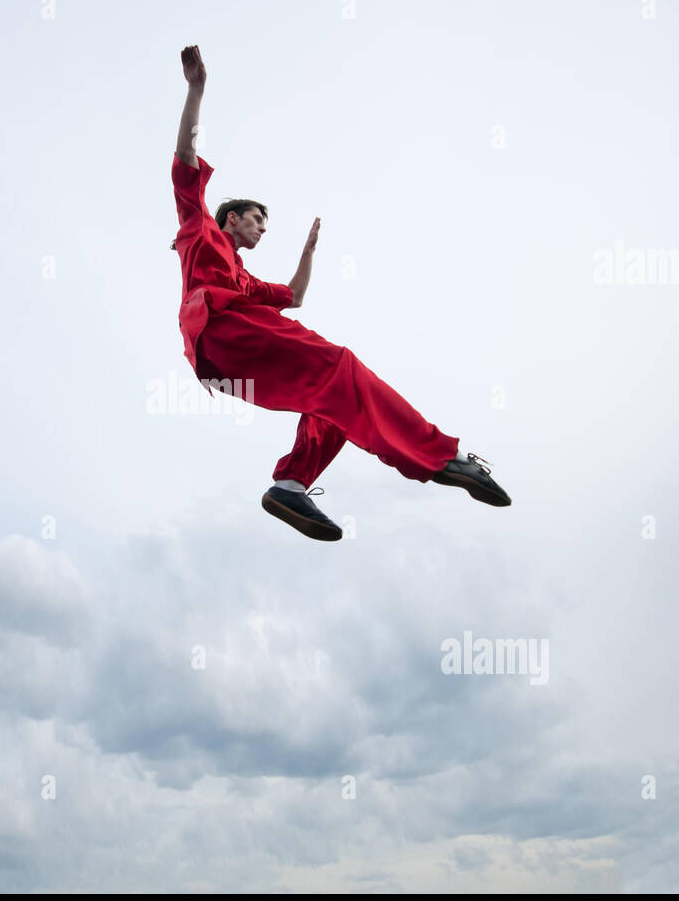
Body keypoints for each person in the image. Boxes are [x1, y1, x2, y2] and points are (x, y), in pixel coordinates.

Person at [170, 45, 510, 541]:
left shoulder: (243, 280)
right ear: (232, 218)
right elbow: (184, 158)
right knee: (341, 366)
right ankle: (445, 456)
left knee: (333, 404)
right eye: (258, 219)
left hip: (223, 364)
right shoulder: (200, 227)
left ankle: (290, 484)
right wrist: (196, 91)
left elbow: (293, 296)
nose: (263, 228)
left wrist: (308, 251)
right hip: (221, 331)